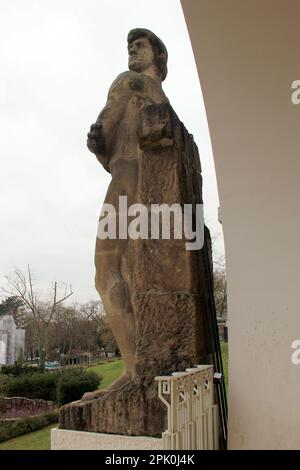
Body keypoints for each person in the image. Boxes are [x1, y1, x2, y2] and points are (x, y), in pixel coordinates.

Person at [87, 29, 169, 390]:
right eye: (129, 47)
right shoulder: (160, 98)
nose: (132, 50)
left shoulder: (128, 82)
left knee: (107, 272)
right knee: (132, 271)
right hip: (142, 180)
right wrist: (101, 147)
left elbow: (104, 128)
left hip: (126, 177)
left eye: (140, 45)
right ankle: (141, 367)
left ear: (157, 54)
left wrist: (96, 142)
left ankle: (134, 370)